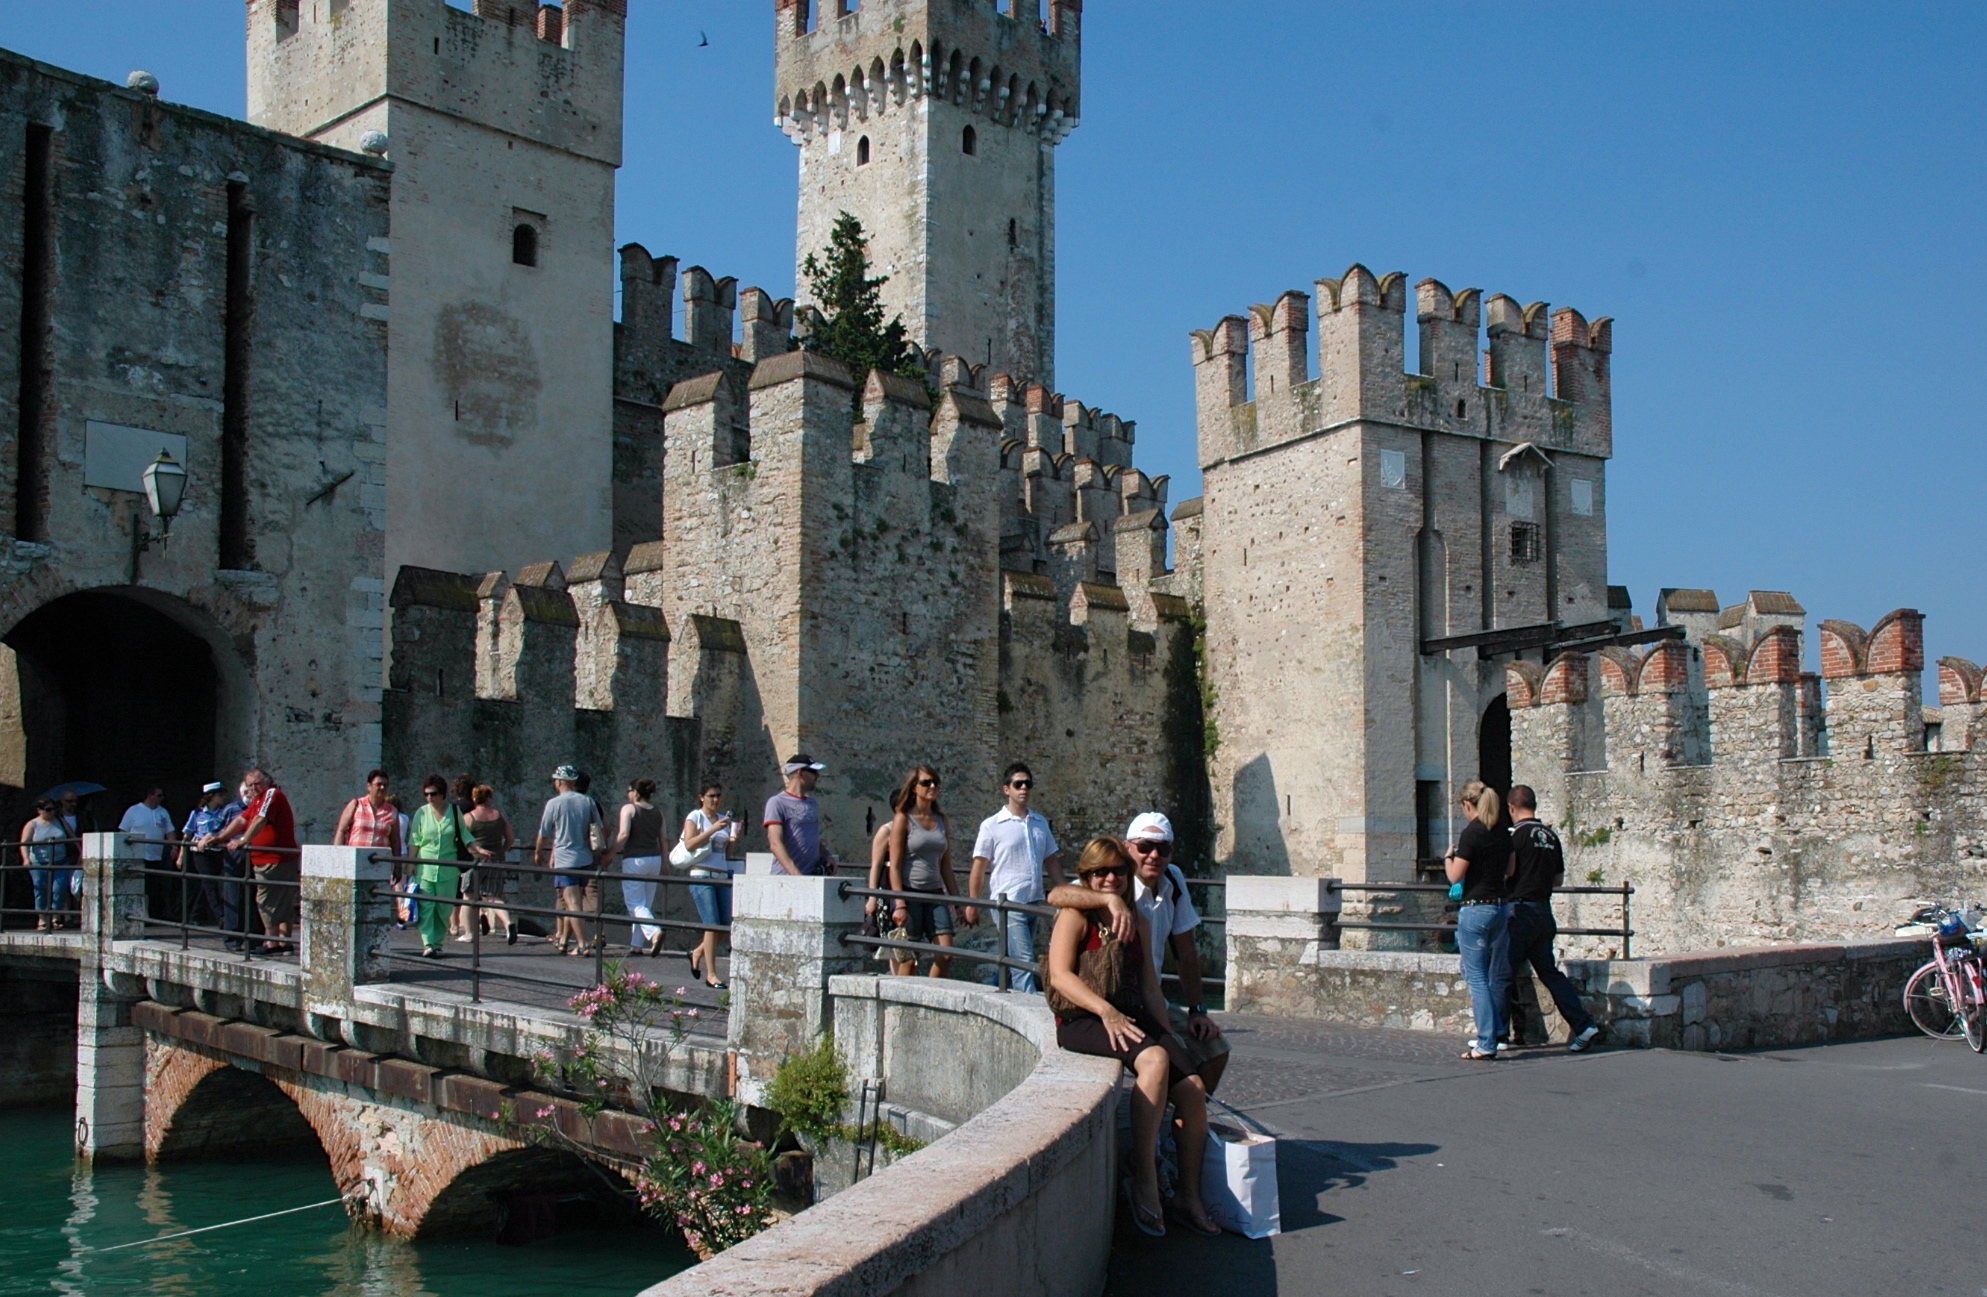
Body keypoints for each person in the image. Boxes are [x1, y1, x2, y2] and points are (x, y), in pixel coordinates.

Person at [1047, 837, 1218, 1239]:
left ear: (1128, 874)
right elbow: (1060, 976)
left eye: (1118, 871)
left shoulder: (1137, 919)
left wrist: (1171, 1036)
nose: (1110, 878)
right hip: (1083, 1015)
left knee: (1192, 1087)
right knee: (1153, 1061)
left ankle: (1189, 1196)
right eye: (1100, 872)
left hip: (1129, 1009)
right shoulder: (1075, 914)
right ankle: (1145, 1175)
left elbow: (1151, 988)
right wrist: (1106, 1011)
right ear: (1086, 876)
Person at [1048, 811, 1229, 1093]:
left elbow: (1187, 951)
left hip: (1151, 996)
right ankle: (1159, 1118)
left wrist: (1197, 1010)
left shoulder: (1173, 880)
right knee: (1157, 1060)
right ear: (1128, 848)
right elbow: (1058, 895)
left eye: (1163, 848)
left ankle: (1183, 1122)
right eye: (1145, 847)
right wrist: (1110, 900)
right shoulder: (1113, 877)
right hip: (1112, 999)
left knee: (1215, 1050)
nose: (1154, 855)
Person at [1504, 785, 1603, 1052]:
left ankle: (1499, 1034)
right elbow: (1557, 879)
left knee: (1504, 972)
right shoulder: (1550, 835)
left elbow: (1508, 872)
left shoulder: (1515, 836)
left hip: (1519, 911)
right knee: (1550, 973)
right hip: (1543, 910)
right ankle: (1583, 1024)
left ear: (1512, 808)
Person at [967, 762, 1064, 994]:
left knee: (1011, 960)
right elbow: (979, 867)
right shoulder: (992, 825)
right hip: (1008, 903)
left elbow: (1051, 860)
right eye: (1018, 784)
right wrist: (973, 903)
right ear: (1006, 789)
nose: (1024, 789)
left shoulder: (1040, 823)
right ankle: (1032, 1011)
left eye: (1027, 784)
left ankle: (992, 995)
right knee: (1024, 961)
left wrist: (1065, 891)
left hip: (1033, 900)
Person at [1446, 780, 1513, 1061]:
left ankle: (1487, 1042)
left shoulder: (1471, 833)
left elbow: (1455, 876)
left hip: (1476, 907)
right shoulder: (1501, 831)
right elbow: (1510, 869)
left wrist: (1448, 858)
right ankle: (1496, 1030)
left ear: (1467, 804)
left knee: (1476, 977)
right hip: (1501, 907)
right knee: (1484, 973)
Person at [886, 766, 965, 978]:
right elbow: (893, 866)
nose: (932, 786)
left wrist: (959, 903)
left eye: (935, 783)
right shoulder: (903, 819)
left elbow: (946, 865)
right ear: (913, 788)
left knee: (946, 954)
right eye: (926, 782)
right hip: (910, 892)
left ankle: (931, 992)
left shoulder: (941, 820)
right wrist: (899, 903)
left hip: (935, 892)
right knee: (910, 960)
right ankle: (902, 1002)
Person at [212, 769, 300, 952]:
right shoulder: (257, 801)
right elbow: (241, 821)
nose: (254, 788)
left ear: (267, 782)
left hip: (275, 859)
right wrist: (220, 838)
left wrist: (243, 840)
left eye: (257, 784)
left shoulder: (271, 795)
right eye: (250, 785)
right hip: (271, 858)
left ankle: (272, 942)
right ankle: (283, 942)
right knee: (280, 901)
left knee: (266, 900)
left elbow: (260, 820)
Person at [409, 773, 486, 957]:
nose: (430, 798)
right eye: (426, 794)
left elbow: (465, 835)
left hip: (448, 868)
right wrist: (410, 864)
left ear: (442, 793)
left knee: (444, 908)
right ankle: (429, 943)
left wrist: (478, 849)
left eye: (433, 793)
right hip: (425, 866)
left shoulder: (454, 811)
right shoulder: (421, 812)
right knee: (427, 907)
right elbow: (415, 840)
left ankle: (437, 942)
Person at [537, 764, 607, 955]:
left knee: (573, 903)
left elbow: (544, 833)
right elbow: (598, 828)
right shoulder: (588, 801)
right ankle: (564, 941)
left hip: (565, 859)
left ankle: (582, 944)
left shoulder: (554, 803)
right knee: (571, 902)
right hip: (585, 857)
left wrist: (538, 853)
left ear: (559, 781)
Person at [679, 781, 737, 988]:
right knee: (711, 924)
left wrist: (732, 840)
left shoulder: (724, 819)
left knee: (724, 926)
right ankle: (711, 974)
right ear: (702, 797)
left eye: (718, 795)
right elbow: (689, 844)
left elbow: (726, 855)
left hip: (721, 875)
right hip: (701, 874)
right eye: (711, 795)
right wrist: (712, 830)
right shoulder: (695, 817)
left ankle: (697, 952)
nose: (716, 800)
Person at [614, 778, 667, 957]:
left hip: (635, 859)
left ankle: (654, 932)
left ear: (635, 792)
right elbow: (663, 839)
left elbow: (623, 834)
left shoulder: (629, 809)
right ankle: (636, 944)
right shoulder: (658, 812)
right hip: (655, 859)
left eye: (629, 790)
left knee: (635, 903)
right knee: (645, 904)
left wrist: (610, 854)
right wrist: (665, 863)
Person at [177, 782, 237, 934]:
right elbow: (187, 835)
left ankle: (195, 915)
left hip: (218, 852)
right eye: (220, 795)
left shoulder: (224, 812)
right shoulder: (197, 813)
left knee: (207, 884)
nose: (223, 797)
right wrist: (181, 855)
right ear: (212, 796)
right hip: (201, 852)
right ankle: (221, 917)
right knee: (209, 883)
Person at [765, 754, 835, 876]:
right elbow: (775, 843)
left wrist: (828, 856)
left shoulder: (812, 803)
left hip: (812, 877)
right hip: (786, 879)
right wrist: (797, 876)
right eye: (813, 771)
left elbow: (811, 839)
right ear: (800, 773)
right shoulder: (777, 802)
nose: (818, 776)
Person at [464, 785, 517, 945]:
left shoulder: (469, 817)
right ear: (489, 798)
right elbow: (511, 838)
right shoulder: (499, 816)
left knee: (469, 895)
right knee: (494, 896)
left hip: (474, 860)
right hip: (496, 859)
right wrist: (503, 851)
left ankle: (469, 933)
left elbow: (461, 839)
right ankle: (508, 923)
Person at [118, 787, 176, 917]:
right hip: (138, 856)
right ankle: (140, 914)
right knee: (140, 886)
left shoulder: (163, 812)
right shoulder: (134, 810)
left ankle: (155, 914)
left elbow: (170, 831)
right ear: (150, 796)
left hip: (156, 856)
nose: (162, 798)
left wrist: (174, 847)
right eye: (159, 795)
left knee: (156, 887)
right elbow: (123, 831)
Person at [18, 798, 67, 931]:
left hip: (60, 861)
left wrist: (80, 852)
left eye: (53, 809)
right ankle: (42, 919)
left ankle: (55, 917)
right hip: (39, 862)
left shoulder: (60, 821)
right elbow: (25, 842)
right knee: (41, 889)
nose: (51, 812)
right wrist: (26, 858)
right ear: (39, 810)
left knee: (60, 889)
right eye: (48, 809)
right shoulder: (32, 824)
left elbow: (71, 836)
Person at [333, 770, 402, 856]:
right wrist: (336, 856)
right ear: (369, 786)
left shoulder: (392, 811)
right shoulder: (356, 805)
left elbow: (395, 841)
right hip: (355, 858)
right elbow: (341, 831)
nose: (382, 787)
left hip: (379, 862)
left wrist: (397, 865)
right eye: (379, 784)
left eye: (385, 785)